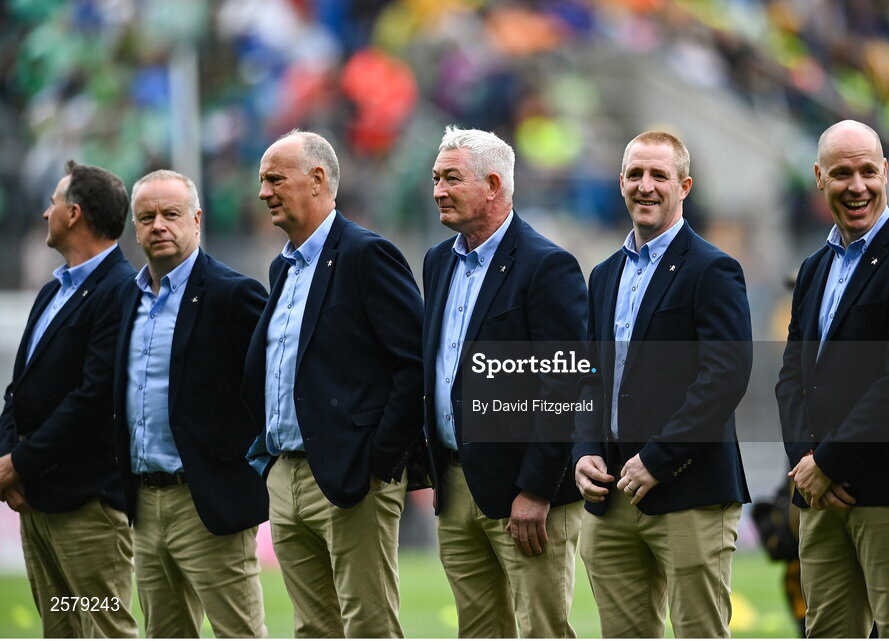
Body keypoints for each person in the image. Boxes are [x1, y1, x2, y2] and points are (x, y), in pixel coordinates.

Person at [243, 129, 424, 638]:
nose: (263, 193)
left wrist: (379, 461)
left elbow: (412, 364)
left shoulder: (368, 254)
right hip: (288, 477)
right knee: (312, 630)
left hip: (351, 479)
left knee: (368, 626)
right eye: (262, 181)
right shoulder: (284, 267)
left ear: (318, 179)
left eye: (275, 179)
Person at [573, 131, 752, 638]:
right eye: (635, 174)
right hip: (611, 498)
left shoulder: (713, 269)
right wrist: (583, 448)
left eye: (659, 176)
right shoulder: (604, 275)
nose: (645, 186)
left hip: (689, 490)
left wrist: (659, 458)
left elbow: (725, 376)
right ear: (621, 183)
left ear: (685, 186)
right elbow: (591, 377)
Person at [423, 125, 586, 637]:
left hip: (525, 493)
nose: (437, 191)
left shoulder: (547, 266)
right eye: (435, 178)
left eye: (451, 178)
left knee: (542, 628)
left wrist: (535, 489)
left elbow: (565, 388)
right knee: (477, 631)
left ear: (493, 185)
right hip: (455, 484)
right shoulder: (437, 262)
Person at [776, 120, 889, 637]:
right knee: (826, 630)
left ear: (887, 173)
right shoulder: (814, 267)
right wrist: (805, 460)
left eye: (868, 171)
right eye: (841, 173)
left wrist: (828, 461)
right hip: (819, 493)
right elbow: (791, 376)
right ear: (819, 177)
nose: (857, 185)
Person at [111, 170, 269, 637]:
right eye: (147, 217)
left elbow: (269, 387)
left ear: (196, 220)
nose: (159, 225)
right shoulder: (126, 296)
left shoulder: (233, 293)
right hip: (143, 501)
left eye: (171, 214)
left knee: (237, 632)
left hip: (206, 502)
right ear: (135, 228)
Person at [0, 161, 137, 637]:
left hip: (86, 510)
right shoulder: (53, 289)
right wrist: (8, 460)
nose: (45, 212)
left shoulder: (121, 291)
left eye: (54, 202)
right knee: (60, 631)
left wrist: (19, 464)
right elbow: (18, 390)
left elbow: (94, 399)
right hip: (38, 504)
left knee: (103, 629)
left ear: (74, 213)